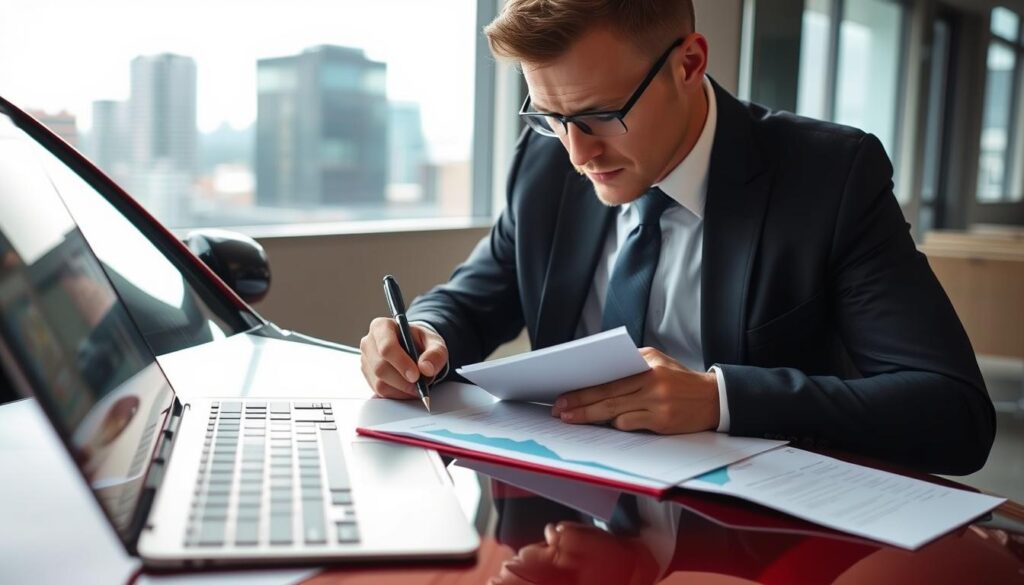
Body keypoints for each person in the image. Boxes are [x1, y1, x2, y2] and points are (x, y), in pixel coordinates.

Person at [359, 0, 995, 475]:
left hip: (754, 534)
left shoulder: (829, 178)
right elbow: (475, 296)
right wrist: (424, 334)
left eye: (601, 114)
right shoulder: (545, 160)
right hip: (569, 503)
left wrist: (720, 398)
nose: (578, 153)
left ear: (689, 63)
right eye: (552, 116)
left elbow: (953, 414)